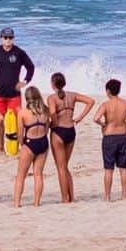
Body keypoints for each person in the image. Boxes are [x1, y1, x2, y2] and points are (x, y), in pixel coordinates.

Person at [93, 79, 126, 202]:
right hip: (122, 136)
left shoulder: (105, 105)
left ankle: (107, 196)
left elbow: (95, 118)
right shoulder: (125, 103)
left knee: (108, 169)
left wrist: (103, 124)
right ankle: (124, 195)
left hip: (109, 137)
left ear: (108, 91)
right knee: (123, 168)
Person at [47, 72, 94, 204]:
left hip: (59, 132)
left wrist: (52, 124)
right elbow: (91, 101)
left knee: (61, 168)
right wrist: (79, 117)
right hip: (71, 131)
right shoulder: (72, 95)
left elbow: (52, 113)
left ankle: (64, 198)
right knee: (65, 166)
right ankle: (71, 196)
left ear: (52, 84)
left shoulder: (52, 98)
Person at [0, 28, 35, 151]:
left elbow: (30, 67)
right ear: (1, 38)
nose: (8, 40)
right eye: (5, 37)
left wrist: (25, 81)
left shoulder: (19, 52)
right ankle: (0, 146)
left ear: (13, 38)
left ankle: (19, 145)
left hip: (14, 94)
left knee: (18, 120)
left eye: (10, 38)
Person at [13, 85, 52, 208]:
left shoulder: (22, 113)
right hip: (43, 142)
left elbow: (20, 134)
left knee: (20, 175)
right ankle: (36, 203)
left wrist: (21, 146)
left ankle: (17, 202)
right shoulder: (46, 110)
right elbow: (46, 129)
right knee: (38, 174)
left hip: (30, 143)